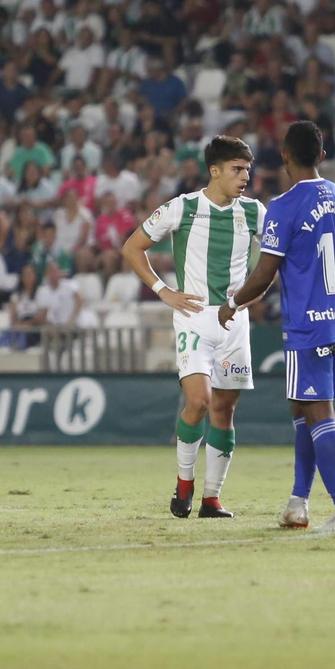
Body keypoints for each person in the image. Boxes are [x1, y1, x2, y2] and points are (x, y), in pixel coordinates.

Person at [218, 122, 335, 532]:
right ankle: (298, 502)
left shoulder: (284, 204)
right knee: (303, 409)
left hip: (306, 328)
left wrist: (231, 304)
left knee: (318, 413)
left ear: (284, 156)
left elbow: (264, 274)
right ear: (322, 156)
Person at [122, 137, 263, 519]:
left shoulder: (254, 213)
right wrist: (163, 291)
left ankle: (211, 499)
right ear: (214, 171)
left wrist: (251, 294)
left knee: (224, 410)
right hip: (194, 317)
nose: (245, 176)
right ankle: (184, 483)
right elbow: (132, 247)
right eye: (237, 168)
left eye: (247, 169)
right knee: (198, 402)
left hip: (234, 320)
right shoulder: (182, 207)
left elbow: (274, 260)